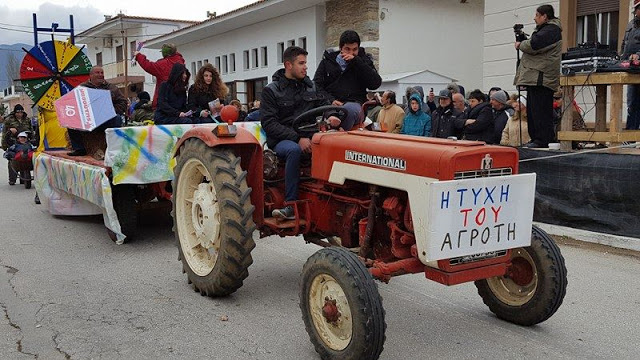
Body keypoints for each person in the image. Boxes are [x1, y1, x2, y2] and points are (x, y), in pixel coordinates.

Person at [260, 46, 332, 220]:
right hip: (282, 140)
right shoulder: (271, 91)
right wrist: (298, 138)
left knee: (333, 144)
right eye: (301, 63)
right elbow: (269, 124)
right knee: (294, 150)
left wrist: (332, 116)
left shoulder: (311, 87)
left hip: (309, 136)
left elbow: (325, 104)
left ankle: (330, 197)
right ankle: (290, 205)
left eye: (305, 63)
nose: (305, 67)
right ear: (288, 65)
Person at [313, 30, 382, 130]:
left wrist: (357, 62)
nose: (351, 53)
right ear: (341, 48)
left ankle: (340, 133)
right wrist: (331, 100)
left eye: (354, 49)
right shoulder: (327, 62)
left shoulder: (364, 61)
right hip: (330, 105)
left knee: (349, 110)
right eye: (347, 49)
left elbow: (375, 83)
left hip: (355, 104)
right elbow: (317, 86)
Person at [514, 4, 562, 148]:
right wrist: (523, 39)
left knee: (540, 110)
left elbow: (534, 45)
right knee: (534, 110)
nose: (534, 18)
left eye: (536, 15)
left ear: (544, 16)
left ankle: (542, 140)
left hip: (542, 77)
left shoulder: (552, 30)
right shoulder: (546, 29)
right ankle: (536, 139)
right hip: (536, 77)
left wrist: (520, 44)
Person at [67, 66, 128, 156]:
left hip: (105, 119)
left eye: (102, 73)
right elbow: (72, 103)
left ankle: (114, 148)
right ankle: (79, 148)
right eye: (97, 73)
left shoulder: (112, 88)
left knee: (117, 118)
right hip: (87, 120)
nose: (100, 75)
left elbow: (123, 102)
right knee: (71, 121)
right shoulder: (82, 88)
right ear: (91, 75)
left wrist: (111, 111)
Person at [135, 43, 186, 110]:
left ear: (165, 53)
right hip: (179, 101)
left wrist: (138, 56)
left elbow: (148, 66)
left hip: (164, 103)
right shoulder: (181, 61)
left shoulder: (163, 64)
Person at [1, 104, 33, 184]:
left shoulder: (27, 119)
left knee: (25, 157)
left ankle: (24, 177)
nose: (20, 114)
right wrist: (5, 146)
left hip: (24, 141)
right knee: (13, 159)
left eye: (21, 112)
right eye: (18, 112)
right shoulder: (9, 120)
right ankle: (12, 179)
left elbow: (31, 131)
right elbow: (4, 133)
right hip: (13, 141)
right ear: (15, 112)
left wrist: (32, 140)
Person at [622, 1, 640, 130]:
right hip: (632, 69)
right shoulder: (631, 25)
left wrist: (638, 55)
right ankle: (630, 135)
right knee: (632, 102)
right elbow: (625, 44)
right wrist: (620, 58)